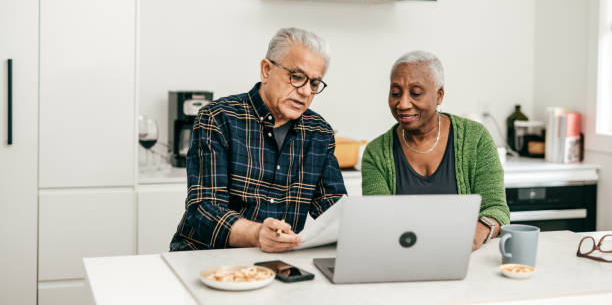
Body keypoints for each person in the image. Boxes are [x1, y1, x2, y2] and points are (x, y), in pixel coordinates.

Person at [170, 28, 346, 252]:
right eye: (297, 77)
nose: (305, 91)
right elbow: (204, 209)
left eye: (314, 83)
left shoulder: (319, 133)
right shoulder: (218, 118)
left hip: (277, 261)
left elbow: (334, 213)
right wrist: (257, 234)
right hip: (203, 256)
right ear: (266, 70)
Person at [361, 51, 510, 251]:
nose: (403, 104)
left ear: (439, 95)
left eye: (416, 93)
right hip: (403, 258)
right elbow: (379, 220)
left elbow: (496, 208)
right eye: (395, 93)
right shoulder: (376, 153)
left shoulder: (475, 138)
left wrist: (475, 235)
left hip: (466, 258)